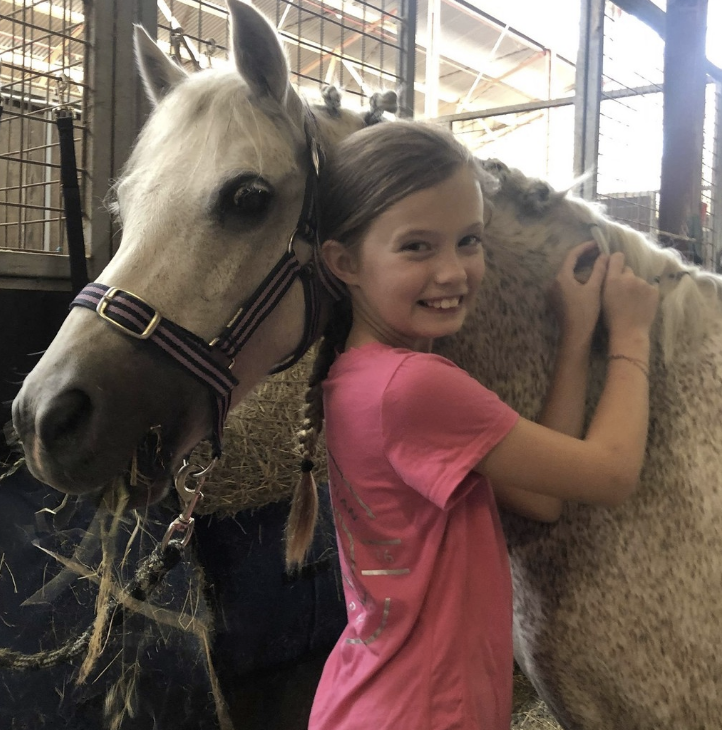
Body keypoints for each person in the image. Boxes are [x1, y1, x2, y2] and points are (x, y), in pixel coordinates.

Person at [284, 121, 659, 730]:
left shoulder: (363, 377)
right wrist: (633, 335)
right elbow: (613, 473)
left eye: (469, 240)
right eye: (417, 246)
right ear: (344, 261)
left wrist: (574, 338)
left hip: (384, 701)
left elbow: (539, 497)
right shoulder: (415, 387)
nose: (454, 271)